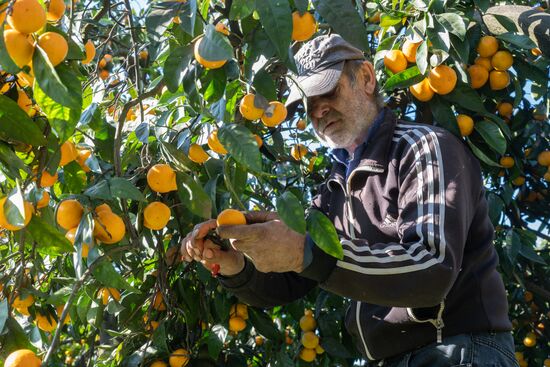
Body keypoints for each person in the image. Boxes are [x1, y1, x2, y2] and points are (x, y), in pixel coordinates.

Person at [181, 34, 519, 366]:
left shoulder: (423, 148)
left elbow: (432, 267)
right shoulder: (334, 190)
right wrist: (236, 266)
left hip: (455, 351)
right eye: (307, 103)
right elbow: (290, 280)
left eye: (327, 90)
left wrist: (304, 251)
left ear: (367, 79)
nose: (318, 110)